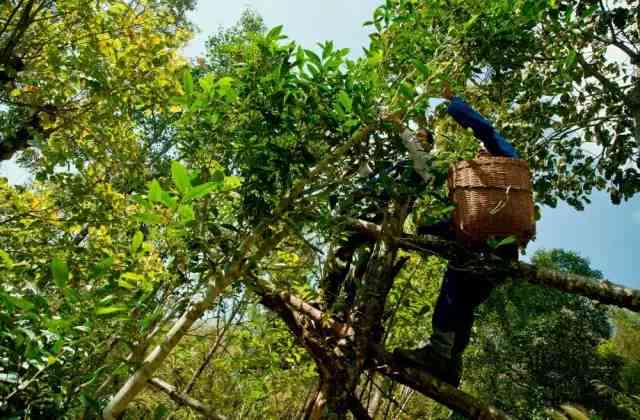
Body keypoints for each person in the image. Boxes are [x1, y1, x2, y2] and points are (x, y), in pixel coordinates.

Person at [388, 86, 520, 387]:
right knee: (462, 302)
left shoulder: (508, 161)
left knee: (455, 288)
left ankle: (439, 353)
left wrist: (454, 102)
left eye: (482, 153)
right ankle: (452, 363)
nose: (478, 155)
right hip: (490, 253)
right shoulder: (480, 197)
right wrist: (423, 233)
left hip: (490, 251)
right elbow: (432, 174)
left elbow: (486, 130)